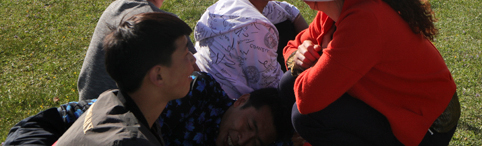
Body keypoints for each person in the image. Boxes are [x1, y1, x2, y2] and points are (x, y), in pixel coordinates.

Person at [277, 0, 459, 146]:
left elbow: (308, 99)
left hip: (424, 124)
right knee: (289, 84)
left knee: (305, 116)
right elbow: (292, 45)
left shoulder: (364, 20)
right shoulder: (334, 11)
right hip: (390, 103)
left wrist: (304, 65)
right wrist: (296, 56)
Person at [5, 72, 291, 146]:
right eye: (249, 127)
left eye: (256, 143)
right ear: (241, 101)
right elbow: (107, 123)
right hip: (54, 129)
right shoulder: (195, 94)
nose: (244, 141)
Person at [78, 0, 192, 101]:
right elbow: (193, 72)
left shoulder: (116, 7)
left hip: (89, 111)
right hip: (121, 117)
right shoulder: (156, 22)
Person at [57, 12, 195, 146]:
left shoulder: (109, 100)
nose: (193, 59)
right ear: (158, 76)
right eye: (185, 54)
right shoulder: (129, 141)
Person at [194, 0, 309, 99]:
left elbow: (288, 10)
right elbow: (273, 89)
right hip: (231, 106)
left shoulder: (227, 4)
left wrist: (309, 38)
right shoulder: (254, 26)